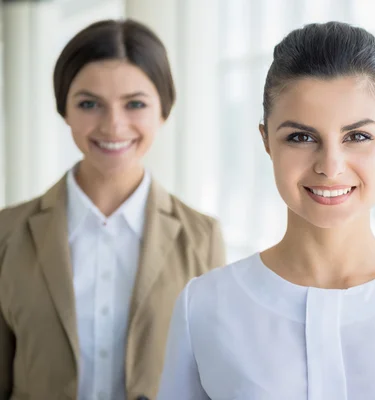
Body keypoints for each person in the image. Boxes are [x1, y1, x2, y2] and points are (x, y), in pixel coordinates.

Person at [157, 21, 375, 399]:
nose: (330, 165)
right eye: (301, 137)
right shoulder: (204, 306)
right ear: (267, 141)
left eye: (357, 137)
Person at [0, 19, 226, 400]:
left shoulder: (202, 238)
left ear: (163, 111)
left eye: (135, 104)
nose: (113, 125)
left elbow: (211, 380)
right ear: (64, 110)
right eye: (89, 104)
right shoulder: (7, 231)